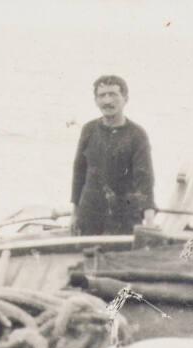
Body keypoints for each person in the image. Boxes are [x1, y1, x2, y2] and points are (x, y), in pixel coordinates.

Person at [70, 75, 156, 235]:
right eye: (102, 95)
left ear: (125, 99)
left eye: (113, 94)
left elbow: (144, 178)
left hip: (124, 218)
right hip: (90, 215)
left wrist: (149, 219)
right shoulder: (89, 129)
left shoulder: (137, 134)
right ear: (96, 100)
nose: (107, 101)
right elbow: (79, 172)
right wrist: (74, 213)